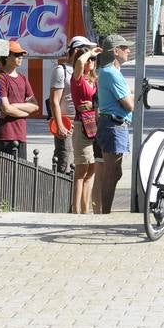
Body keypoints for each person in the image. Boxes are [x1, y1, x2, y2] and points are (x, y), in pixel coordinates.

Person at [92, 34, 134, 214]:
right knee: (111, 171)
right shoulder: (110, 73)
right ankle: (106, 213)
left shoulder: (111, 72)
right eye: (124, 48)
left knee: (116, 171)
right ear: (115, 51)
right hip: (113, 125)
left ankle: (106, 210)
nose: (128, 51)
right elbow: (129, 104)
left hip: (116, 124)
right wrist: (134, 95)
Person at [69, 40, 103, 214]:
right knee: (81, 169)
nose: (91, 63)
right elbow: (81, 62)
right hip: (82, 124)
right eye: (89, 60)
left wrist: (94, 106)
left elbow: (98, 102)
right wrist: (89, 52)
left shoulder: (94, 80)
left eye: (94, 60)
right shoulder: (78, 79)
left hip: (94, 125)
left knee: (91, 169)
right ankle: (76, 210)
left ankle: (85, 208)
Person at [49, 37, 92, 175]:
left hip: (84, 122)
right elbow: (54, 100)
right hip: (67, 123)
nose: (89, 54)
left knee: (82, 164)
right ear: (77, 50)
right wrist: (60, 125)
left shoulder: (86, 70)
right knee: (65, 161)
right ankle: (62, 195)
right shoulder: (61, 70)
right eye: (86, 50)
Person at [0, 39, 38, 158]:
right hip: (5, 135)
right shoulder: (1, 78)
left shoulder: (23, 78)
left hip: (21, 134)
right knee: (5, 174)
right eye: (17, 54)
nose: (21, 57)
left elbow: (35, 106)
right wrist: (25, 111)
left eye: (22, 54)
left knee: (20, 174)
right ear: (6, 56)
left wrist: (15, 106)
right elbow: (6, 109)